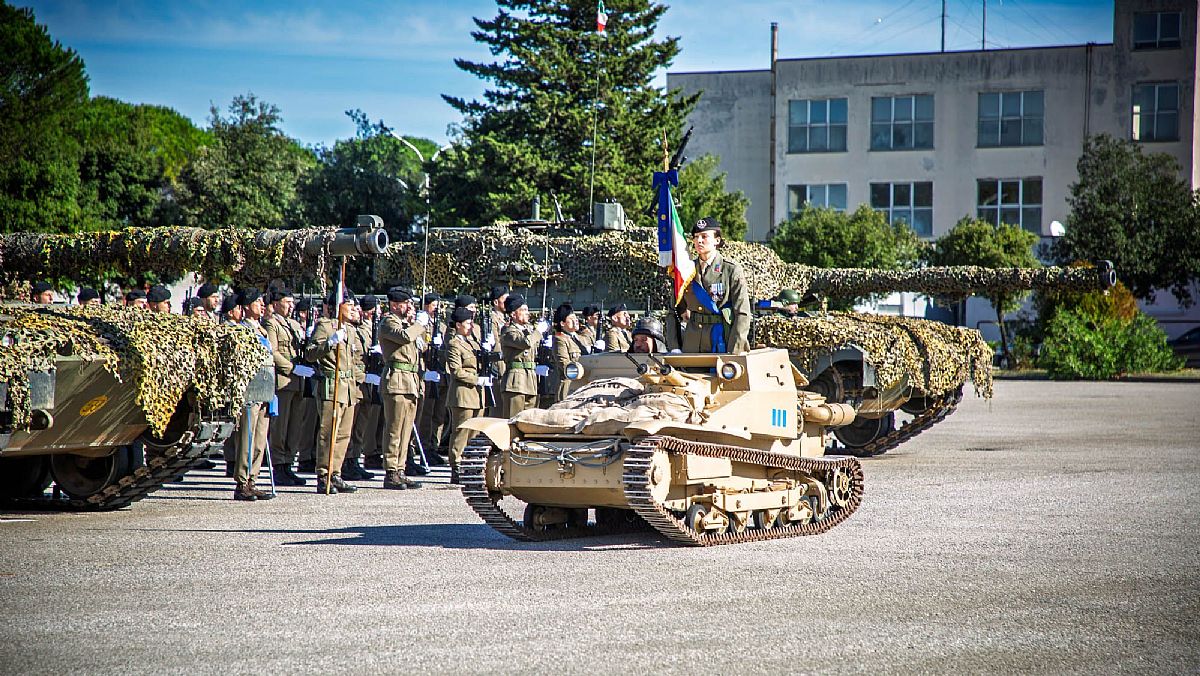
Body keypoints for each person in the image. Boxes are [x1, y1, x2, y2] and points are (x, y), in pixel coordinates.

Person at [306, 289, 363, 494]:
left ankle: (335, 473)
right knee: (329, 432)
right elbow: (310, 354)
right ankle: (323, 474)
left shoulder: (350, 330)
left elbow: (356, 360)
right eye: (348, 305)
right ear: (338, 306)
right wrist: (330, 343)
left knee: (343, 435)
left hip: (348, 388)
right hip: (332, 385)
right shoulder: (326, 326)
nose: (353, 309)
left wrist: (359, 379)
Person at [674, 216, 751, 353]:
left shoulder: (730, 269)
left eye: (704, 236)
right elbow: (673, 310)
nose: (699, 241)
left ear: (717, 240)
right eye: (696, 237)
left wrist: (735, 349)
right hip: (693, 342)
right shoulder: (686, 270)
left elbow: (742, 312)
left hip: (723, 338)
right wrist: (675, 347)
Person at [377, 287, 425, 490]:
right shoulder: (388, 322)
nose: (410, 307)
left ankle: (400, 468)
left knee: (406, 430)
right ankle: (390, 471)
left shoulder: (407, 324)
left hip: (410, 381)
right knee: (394, 428)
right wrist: (418, 325)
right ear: (396, 305)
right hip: (396, 380)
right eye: (407, 304)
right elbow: (404, 337)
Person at [231, 288, 276, 501]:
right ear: (247, 306)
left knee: (259, 440)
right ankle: (241, 482)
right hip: (251, 391)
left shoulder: (261, 329)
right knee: (247, 439)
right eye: (258, 302)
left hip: (265, 390)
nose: (262, 305)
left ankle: (252, 480)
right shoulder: (242, 330)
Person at [262, 288, 308, 487]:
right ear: (276, 304)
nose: (291, 306)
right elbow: (273, 351)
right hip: (283, 380)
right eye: (287, 302)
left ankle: (288, 463)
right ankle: (279, 464)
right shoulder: (272, 324)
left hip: (297, 382)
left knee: (294, 426)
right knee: (280, 427)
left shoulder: (294, 324)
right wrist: (292, 368)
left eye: (292, 302)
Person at [445, 306, 485, 484]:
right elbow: (456, 371)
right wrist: (477, 380)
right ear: (459, 325)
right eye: (468, 323)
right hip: (463, 393)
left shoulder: (472, 342)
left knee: (475, 432)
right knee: (461, 432)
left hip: (477, 395)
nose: (471, 326)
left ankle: (469, 465)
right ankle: (457, 466)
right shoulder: (454, 344)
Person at [344, 293, 380, 481]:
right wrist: (365, 376)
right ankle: (346, 461)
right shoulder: (352, 331)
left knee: (360, 428)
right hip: (356, 383)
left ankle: (355, 460)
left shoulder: (367, 329)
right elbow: (351, 361)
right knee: (350, 427)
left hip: (366, 384)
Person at [415, 292, 449, 472]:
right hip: (426, 373)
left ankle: (433, 447)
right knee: (426, 415)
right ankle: (423, 447)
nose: (436, 309)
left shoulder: (441, 326)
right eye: (433, 305)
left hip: (439, 374)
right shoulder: (419, 324)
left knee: (438, 414)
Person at [498, 293, 546, 418]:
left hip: (530, 380)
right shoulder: (508, 331)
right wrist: (538, 331)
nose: (527, 313)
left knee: (528, 421)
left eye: (527, 310)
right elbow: (525, 343)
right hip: (515, 382)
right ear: (513, 314)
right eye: (523, 310)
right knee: (513, 420)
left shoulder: (528, 330)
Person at [549, 303, 583, 404]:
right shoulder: (560, 339)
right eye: (571, 318)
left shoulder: (580, 338)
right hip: (569, 387)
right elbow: (565, 365)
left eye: (576, 317)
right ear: (562, 323)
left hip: (583, 386)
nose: (576, 320)